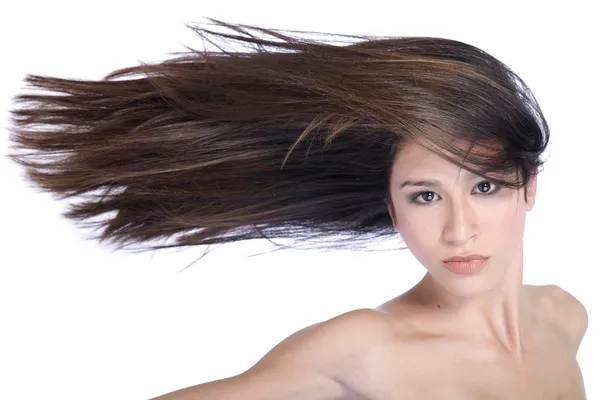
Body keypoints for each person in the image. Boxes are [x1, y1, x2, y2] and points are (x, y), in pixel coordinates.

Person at [7, 18, 587, 399]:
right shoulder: (364, 349)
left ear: (529, 186)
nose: (459, 229)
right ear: (391, 205)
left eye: (485, 187)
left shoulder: (566, 317)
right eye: (425, 196)